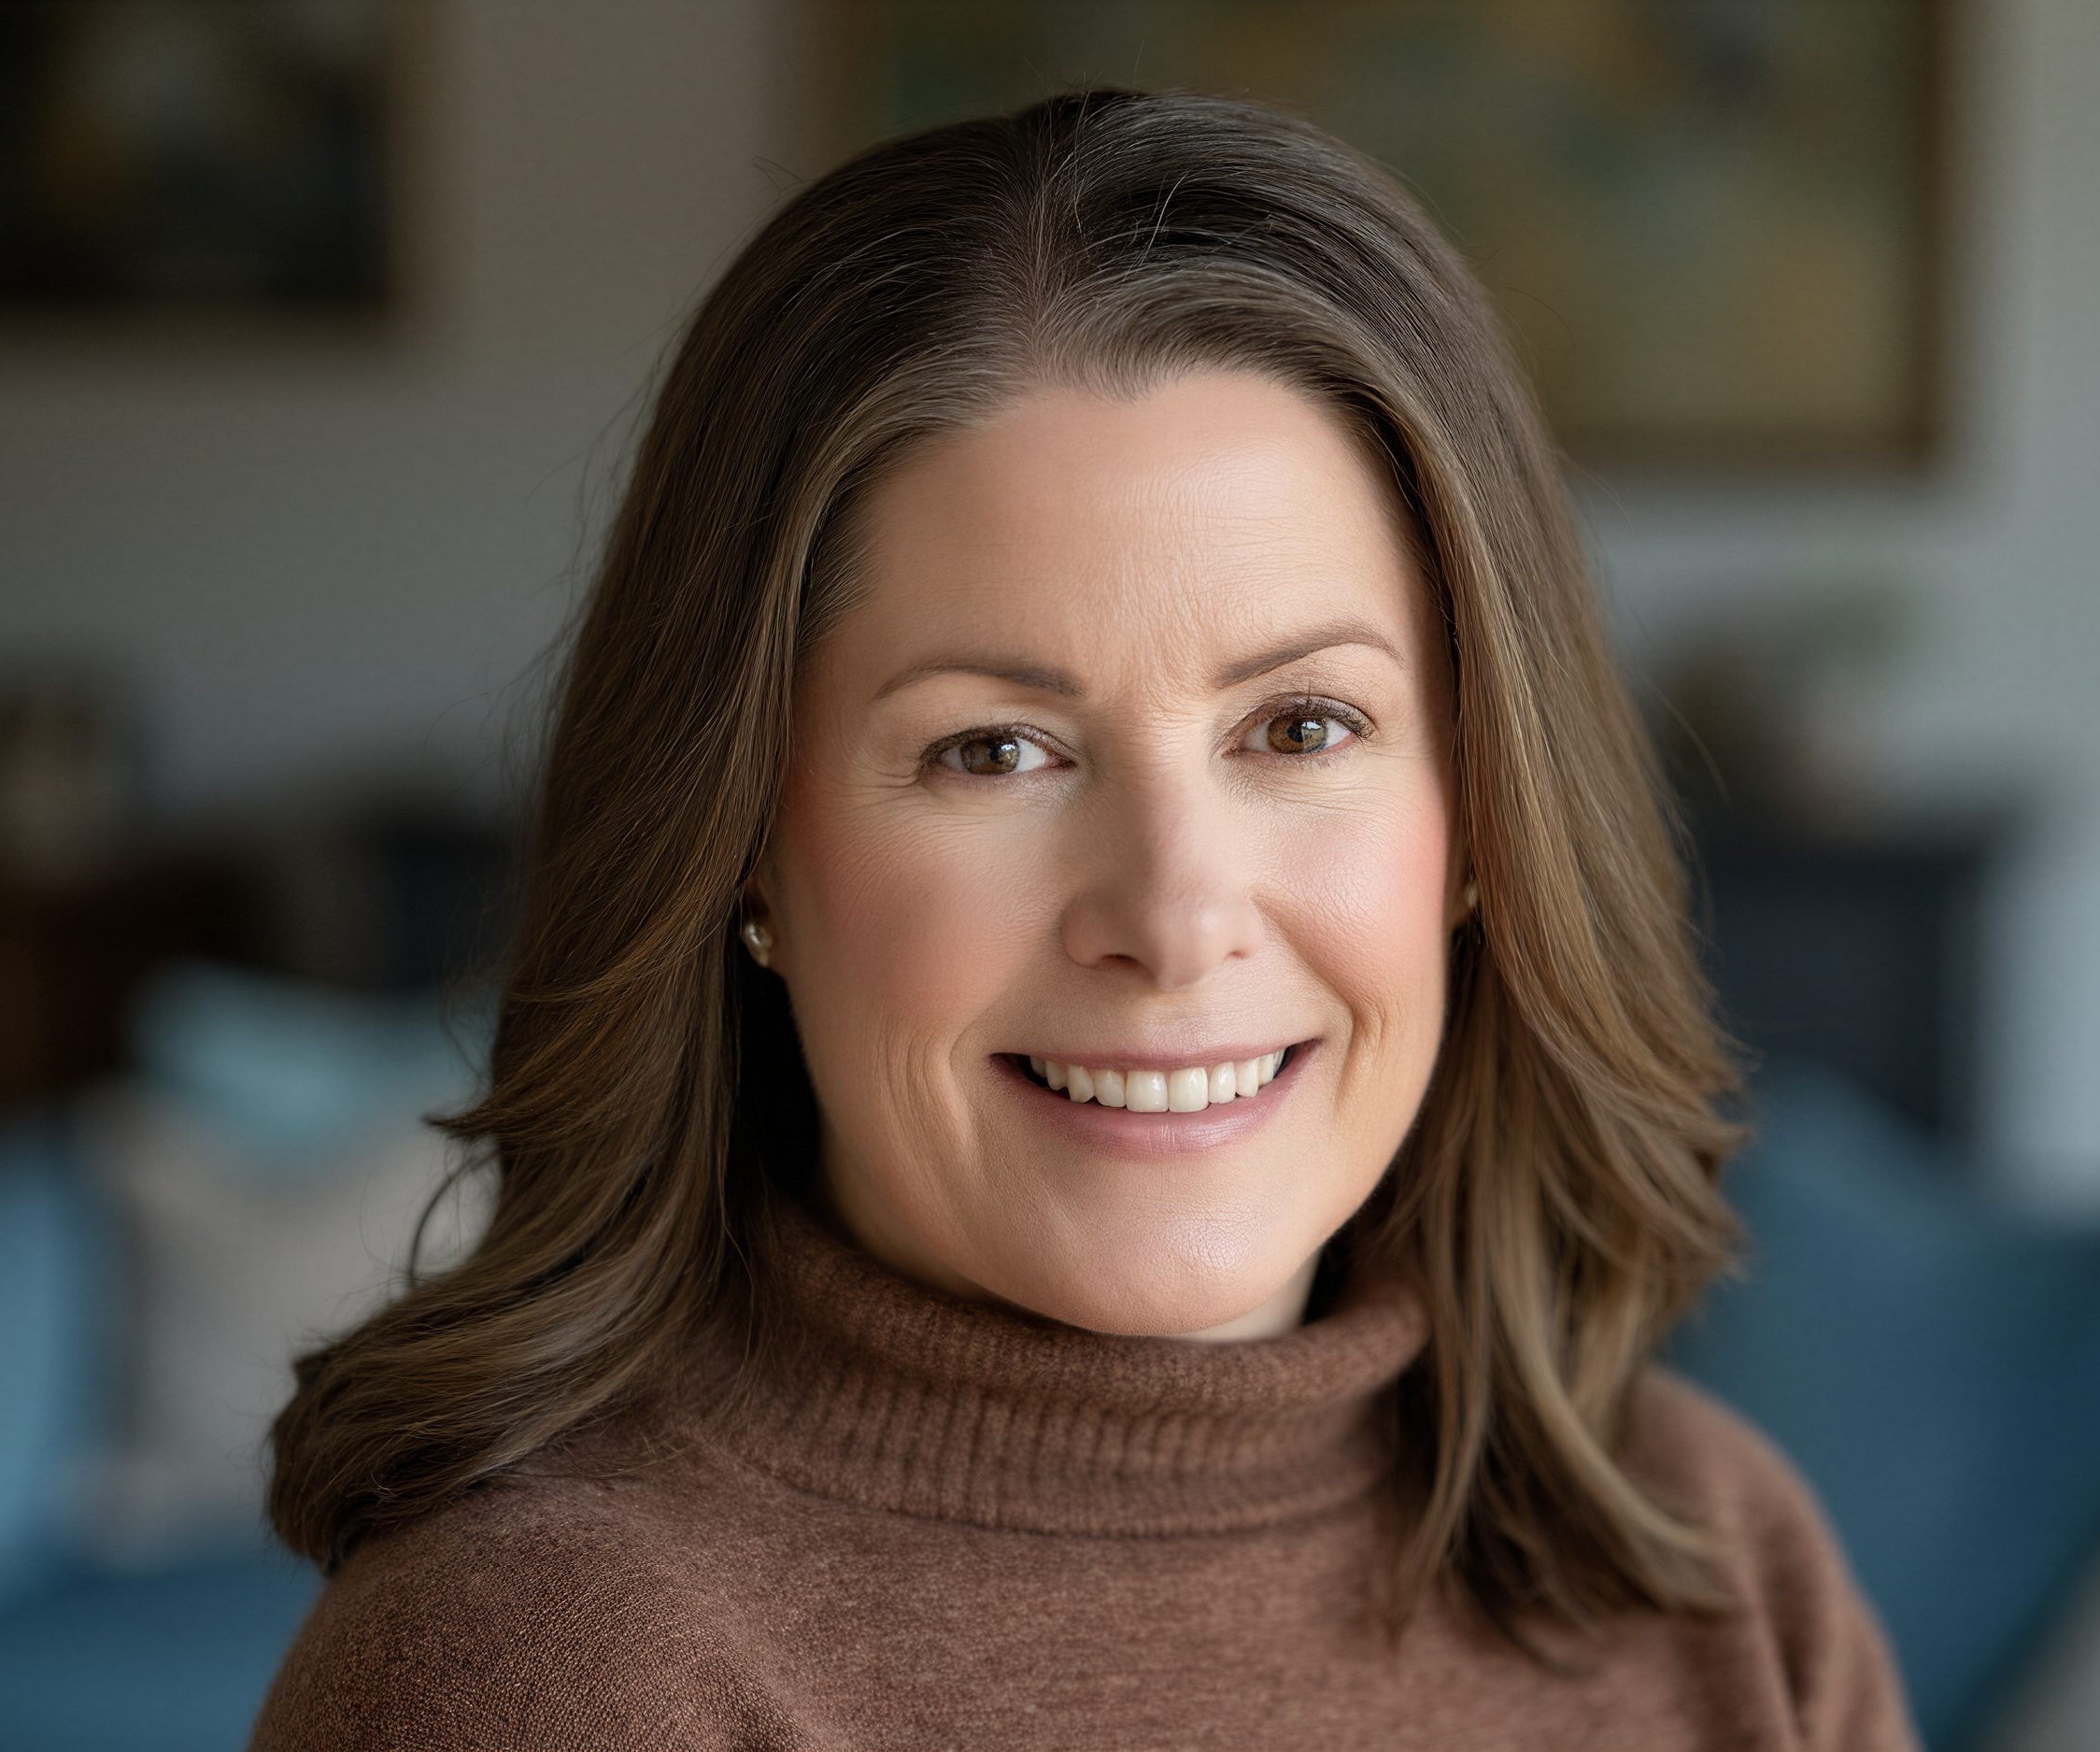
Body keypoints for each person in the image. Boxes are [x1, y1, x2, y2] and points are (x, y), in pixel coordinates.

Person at [251, 90, 1917, 1750]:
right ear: (747, 848)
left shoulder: (1715, 1562)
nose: (1176, 919)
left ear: (1483, 815)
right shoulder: (536, 1673)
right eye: (996, 749)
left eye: (1303, 727)